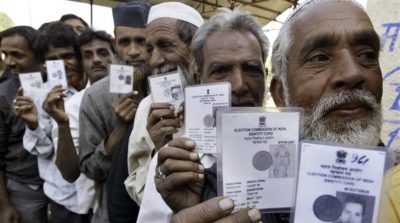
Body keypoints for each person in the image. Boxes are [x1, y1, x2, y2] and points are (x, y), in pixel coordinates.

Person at [155, 0, 388, 222]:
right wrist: (195, 207)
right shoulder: (196, 176)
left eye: (367, 54)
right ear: (280, 93)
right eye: (320, 58)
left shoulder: (392, 176)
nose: (352, 73)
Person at [140, 8, 269, 223]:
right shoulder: (177, 161)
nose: (238, 85)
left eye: (251, 69)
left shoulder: (294, 145)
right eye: (220, 70)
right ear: (199, 79)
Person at [125, 1, 203, 207]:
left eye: (166, 46)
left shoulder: (222, 97)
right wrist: (159, 152)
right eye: (150, 50)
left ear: (196, 48)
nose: (155, 61)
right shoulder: (146, 108)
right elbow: (136, 187)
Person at [78, 2, 150, 222]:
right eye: (125, 42)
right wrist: (120, 128)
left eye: (142, 41)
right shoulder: (96, 97)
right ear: (115, 45)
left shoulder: (171, 89)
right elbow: (90, 169)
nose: (133, 51)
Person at [15, 22, 90, 223]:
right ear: (43, 65)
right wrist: (33, 126)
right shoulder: (39, 95)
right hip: (64, 197)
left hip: (93, 195)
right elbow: (46, 150)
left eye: (67, 56)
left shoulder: (92, 88)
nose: (63, 64)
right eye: (53, 60)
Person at [0, 26, 47, 223]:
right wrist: (4, 206)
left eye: (17, 55)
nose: (9, 62)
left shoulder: (57, 85)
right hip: (24, 188)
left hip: (62, 187)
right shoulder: (2, 95)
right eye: (5, 54)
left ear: (38, 57)